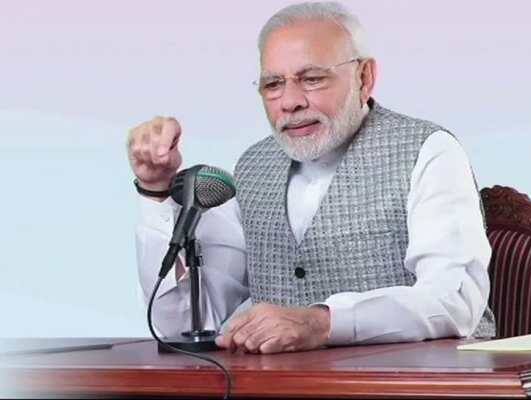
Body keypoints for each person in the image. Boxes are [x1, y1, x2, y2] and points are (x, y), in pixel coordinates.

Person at [128, 1, 495, 355]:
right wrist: (156, 192)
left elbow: (454, 300)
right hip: (282, 385)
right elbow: (191, 323)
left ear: (364, 78)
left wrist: (323, 323)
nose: (290, 102)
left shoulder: (428, 151)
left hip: (417, 383)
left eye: (312, 79)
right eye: (273, 84)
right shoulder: (252, 166)